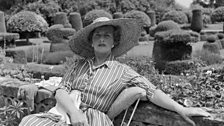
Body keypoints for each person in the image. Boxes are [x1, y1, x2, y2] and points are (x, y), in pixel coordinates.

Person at [19, 17, 210, 126]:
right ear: (92, 41)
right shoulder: (79, 65)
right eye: (98, 35)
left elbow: (152, 92)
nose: (102, 39)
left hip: (95, 119)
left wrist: (182, 109)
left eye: (107, 36)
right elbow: (61, 90)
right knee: (28, 122)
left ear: (114, 42)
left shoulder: (123, 71)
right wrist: (73, 113)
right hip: (64, 114)